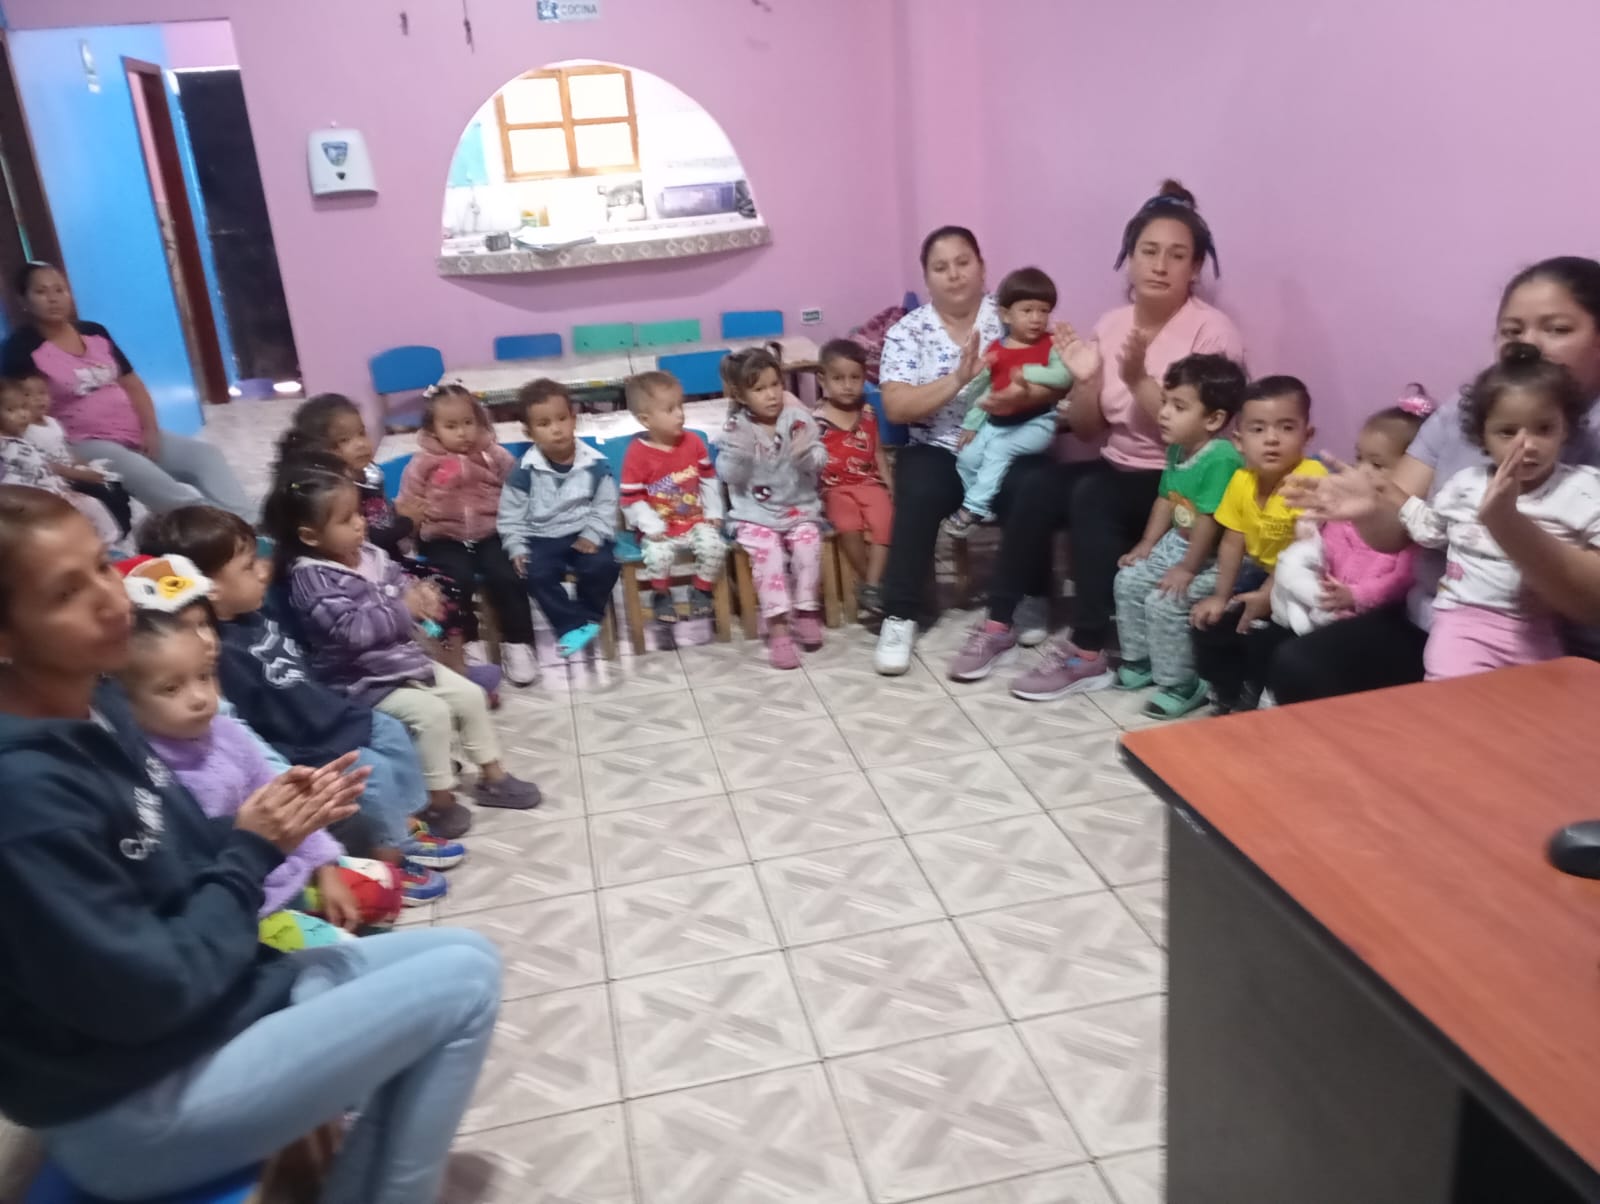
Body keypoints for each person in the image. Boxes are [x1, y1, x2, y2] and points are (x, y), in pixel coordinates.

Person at [0, 484, 501, 1204]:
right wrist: (252, 850)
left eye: (102, 567)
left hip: (212, 1008)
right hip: (134, 1101)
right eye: (65, 592)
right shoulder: (25, 794)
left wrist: (279, 824)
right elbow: (149, 992)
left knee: (467, 956)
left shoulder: (99, 702)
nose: (109, 600)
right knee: (464, 989)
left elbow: (177, 854)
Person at [947, 181, 1246, 693]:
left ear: (1195, 268)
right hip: (1118, 464)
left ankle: (1088, 652)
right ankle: (999, 622)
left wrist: (1136, 379)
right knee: (1034, 482)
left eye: (1177, 256)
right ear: (1129, 259)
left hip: (1178, 481)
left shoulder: (1213, 332)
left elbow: (1195, 438)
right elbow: (1089, 429)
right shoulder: (1112, 323)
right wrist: (1085, 381)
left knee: (1092, 493)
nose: (1160, 265)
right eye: (1148, 251)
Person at [1276, 256, 1600, 702]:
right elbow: (1398, 530)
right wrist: (1369, 509)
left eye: (1557, 329)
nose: (1528, 345)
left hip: (1556, 643)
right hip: (1441, 619)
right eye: (1512, 331)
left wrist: (1509, 525)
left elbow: (1591, 604)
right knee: (1301, 665)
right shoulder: (1468, 410)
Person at [138, 505, 470, 883]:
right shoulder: (216, 651)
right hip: (307, 743)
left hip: (331, 715)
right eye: (248, 566)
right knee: (373, 775)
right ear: (209, 589)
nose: (263, 570)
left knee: (393, 734)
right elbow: (252, 728)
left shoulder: (257, 613)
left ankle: (406, 823)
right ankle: (389, 855)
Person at [265, 463, 542, 818]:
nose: (359, 523)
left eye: (358, 513)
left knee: (470, 696)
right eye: (345, 520)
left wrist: (423, 600)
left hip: (404, 663)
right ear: (310, 536)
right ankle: (436, 801)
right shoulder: (312, 580)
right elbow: (352, 631)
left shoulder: (370, 554)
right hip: (363, 681)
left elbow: (400, 584)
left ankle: (493, 777)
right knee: (432, 715)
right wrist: (404, 608)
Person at [113, 559, 368, 932]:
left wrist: (325, 867)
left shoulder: (227, 733)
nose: (199, 698)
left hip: (288, 878)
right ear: (124, 700)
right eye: (171, 688)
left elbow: (282, 799)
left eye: (204, 677)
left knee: (377, 892)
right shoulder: (145, 767)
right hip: (246, 915)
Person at [272, 394, 503, 701]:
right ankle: (444, 672)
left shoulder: (366, 477)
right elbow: (366, 540)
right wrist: (405, 523)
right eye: (343, 441)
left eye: (361, 433)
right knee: (434, 596)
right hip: (362, 576)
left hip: (386, 565)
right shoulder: (329, 497)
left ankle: (455, 668)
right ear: (319, 453)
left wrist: (399, 515)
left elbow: (379, 521)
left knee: (443, 589)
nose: (360, 444)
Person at [1398, 345, 1600, 679]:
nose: (1526, 445)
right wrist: (1386, 499)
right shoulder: (1466, 485)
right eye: (1508, 432)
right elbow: (1430, 531)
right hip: (1463, 624)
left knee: (1540, 702)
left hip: (1538, 630)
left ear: (1565, 429)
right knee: (1456, 697)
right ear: (1483, 437)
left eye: (1544, 428)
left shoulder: (1582, 488)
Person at [0, 262, 250, 519]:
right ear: (23, 300)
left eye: (59, 290)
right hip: (82, 443)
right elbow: (19, 407)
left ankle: (247, 525)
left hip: (133, 432)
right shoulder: (21, 348)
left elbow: (132, 383)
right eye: (41, 292)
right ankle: (216, 530)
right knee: (160, 485)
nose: (53, 298)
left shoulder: (94, 332)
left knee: (206, 457)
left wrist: (150, 429)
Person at [872, 226, 1004, 674]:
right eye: (941, 267)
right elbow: (897, 405)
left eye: (963, 262)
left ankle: (1026, 598)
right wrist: (957, 380)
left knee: (1037, 481)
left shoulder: (1009, 317)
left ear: (982, 267)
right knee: (919, 488)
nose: (954, 274)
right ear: (927, 278)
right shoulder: (909, 332)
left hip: (1002, 445)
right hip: (938, 449)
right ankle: (899, 616)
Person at [1097, 354, 1247, 719]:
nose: (1163, 413)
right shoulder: (1178, 448)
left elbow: (1210, 522)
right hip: (1178, 543)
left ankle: (1184, 682)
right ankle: (1142, 660)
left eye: (1178, 407)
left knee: (1165, 601)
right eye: (1165, 402)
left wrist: (1187, 569)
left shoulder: (1221, 457)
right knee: (1128, 580)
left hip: (1211, 558)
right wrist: (1147, 544)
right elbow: (1165, 499)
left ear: (1214, 419)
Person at [1188, 377, 1326, 712]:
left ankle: (1256, 694)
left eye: (1287, 427)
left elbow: (1302, 552)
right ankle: (1226, 692)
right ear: (1239, 440)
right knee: (1211, 622)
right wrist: (1221, 596)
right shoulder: (1241, 480)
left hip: (1306, 581)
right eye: (1258, 429)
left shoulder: (1309, 480)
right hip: (1262, 573)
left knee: (1264, 637)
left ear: (1307, 435)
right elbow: (1232, 542)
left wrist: (1267, 595)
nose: (1272, 439)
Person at [395, 384, 537, 686]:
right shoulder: (421, 464)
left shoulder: (494, 455)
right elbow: (408, 504)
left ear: (480, 421)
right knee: (453, 581)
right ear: (433, 430)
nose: (462, 433)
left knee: (507, 575)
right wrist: (408, 539)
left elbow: (518, 491)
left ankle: (518, 643)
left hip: (492, 532)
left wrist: (522, 529)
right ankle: (469, 643)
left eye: (468, 423)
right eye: (451, 426)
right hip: (443, 536)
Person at [1271, 398, 1426, 635]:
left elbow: (1401, 579)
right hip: (1326, 599)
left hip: (1368, 616)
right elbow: (1325, 547)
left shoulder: (1409, 524)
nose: (1361, 470)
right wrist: (1309, 531)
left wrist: (1356, 595)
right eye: (1359, 458)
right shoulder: (1349, 508)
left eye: (1376, 464)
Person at [715, 347, 828, 669]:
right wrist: (739, 455)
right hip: (754, 515)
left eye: (776, 384)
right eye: (759, 389)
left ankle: (806, 611)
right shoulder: (736, 428)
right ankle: (779, 630)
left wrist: (807, 456)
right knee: (769, 555)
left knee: (808, 544)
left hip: (798, 509)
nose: (771, 395)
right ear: (741, 395)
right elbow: (728, 475)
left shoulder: (798, 419)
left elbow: (820, 459)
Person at [945, 266, 1072, 538]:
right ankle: (985, 506)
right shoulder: (995, 349)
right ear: (1006, 315)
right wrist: (971, 424)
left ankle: (972, 509)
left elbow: (1063, 376)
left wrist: (1027, 371)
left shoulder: (1051, 344)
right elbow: (983, 390)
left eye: (1044, 311)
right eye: (1027, 310)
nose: (1037, 318)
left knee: (998, 451)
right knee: (967, 456)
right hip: (997, 423)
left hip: (1037, 423)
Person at [498, 379, 621, 659]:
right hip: (542, 536)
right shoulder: (523, 471)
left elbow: (605, 504)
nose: (556, 429)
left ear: (574, 419)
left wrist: (593, 534)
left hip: (584, 531)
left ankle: (590, 616)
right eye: (544, 424)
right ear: (529, 432)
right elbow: (510, 515)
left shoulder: (595, 463)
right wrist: (516, 546)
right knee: (535, 574)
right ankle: (570, 624)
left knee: (603, 565)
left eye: (562, 418)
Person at [619, 370, 725, 624]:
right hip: (659, 527)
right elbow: (630, 498)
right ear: (646, 420)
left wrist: (713, 511)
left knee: (715, 547)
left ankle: (701, 589)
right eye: (670, 409)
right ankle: (661, 594)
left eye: (680, 406)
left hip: (695, 521)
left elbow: (708, 479)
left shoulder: (694, 442)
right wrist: (651, 525)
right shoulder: (637, 453)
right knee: (659, 556)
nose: (680, 414)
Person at [815, 338, 894, 615]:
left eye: (855, 378)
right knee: (848, 524)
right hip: (834, 489)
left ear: (864, 378)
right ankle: (872, 582)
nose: (847, 385)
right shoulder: (815, 420)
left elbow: (878, 452)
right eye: (838, 378)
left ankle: (871, 586)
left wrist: (891, 485)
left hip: (869, 483)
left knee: (885, 520)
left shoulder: (869, 413)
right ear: (822, 379)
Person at [0, 375, 122, 548]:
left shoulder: (23, 441)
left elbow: (43, 467)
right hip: (28, 505)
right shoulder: (4, 445)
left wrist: (62, 488)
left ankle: (109, 547)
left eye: (24, 407)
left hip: (55, 494)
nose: (23, 415)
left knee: (93, 505)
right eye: (11, 410)